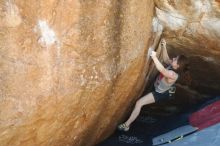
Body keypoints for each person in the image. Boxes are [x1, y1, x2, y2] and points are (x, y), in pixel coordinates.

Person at [118, 39, 189, 132]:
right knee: (162, 86)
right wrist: (164, 46)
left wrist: (154, 57)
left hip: (158, 94)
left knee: (139, 103)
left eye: (176, 59)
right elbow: (165, 59)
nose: (173, 58)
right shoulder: (172, 65)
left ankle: (127, 125)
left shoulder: (173, 75)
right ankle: (170, 90)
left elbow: (162, 70)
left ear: (178, 66)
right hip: (158, 86)